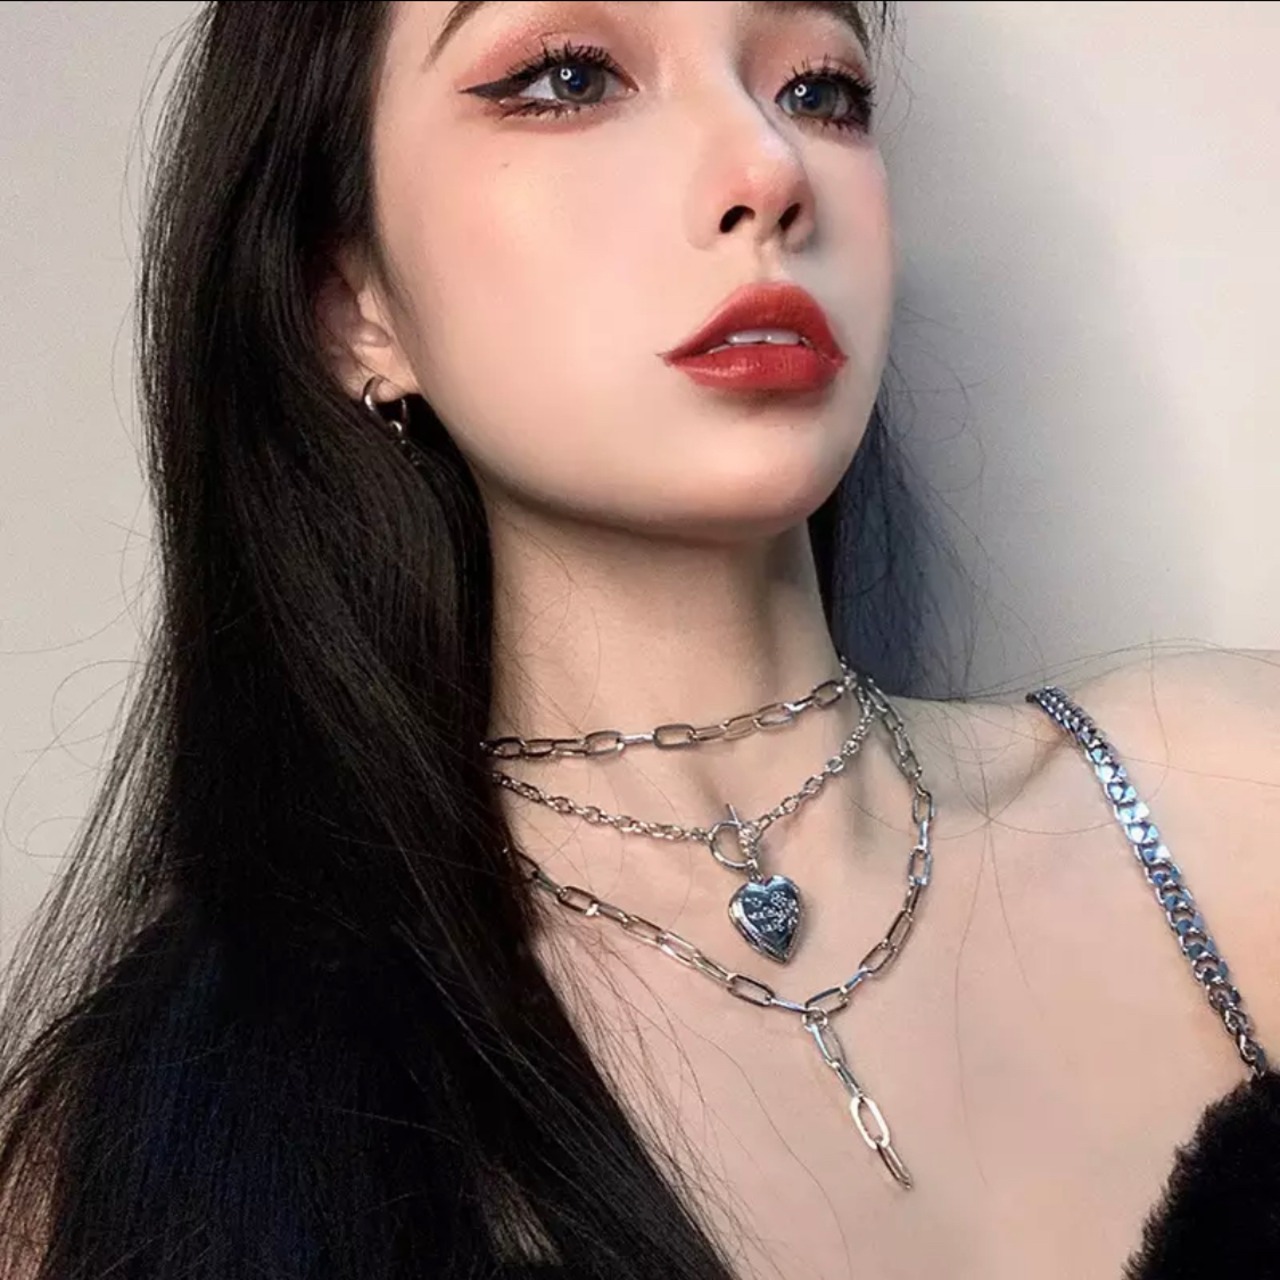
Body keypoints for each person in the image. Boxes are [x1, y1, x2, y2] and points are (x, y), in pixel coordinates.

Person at [0, 2, 1277, 1277]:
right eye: (568, 77)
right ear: (351, 305)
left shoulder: (1232, 801)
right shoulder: (165, 1145)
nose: (768, 168)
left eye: (818, 90)